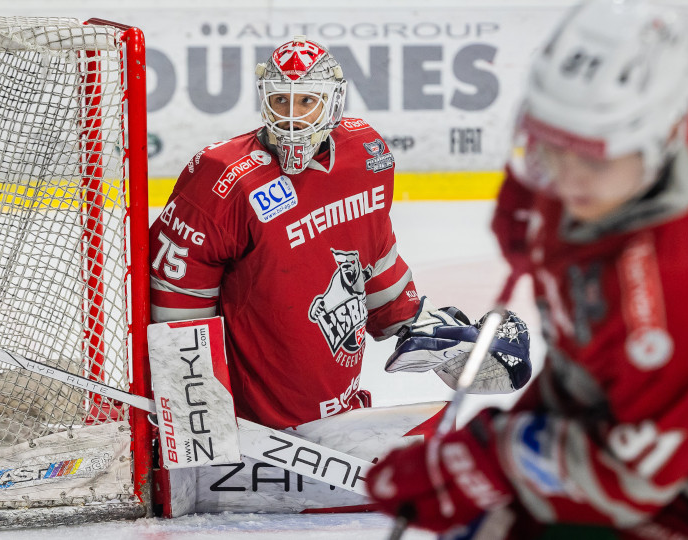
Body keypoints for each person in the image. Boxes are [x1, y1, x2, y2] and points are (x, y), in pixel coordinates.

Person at [367, 1, 688, 538]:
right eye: (550, 147)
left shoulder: (677, 291)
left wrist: (484, 460)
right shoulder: (634, 123)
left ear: (656, 143)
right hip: (637, 426)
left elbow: (631, 475)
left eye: (591, 161)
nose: (566, 182)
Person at [148, 36, 531, 431]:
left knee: (456, 442)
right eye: (281, 101)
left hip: (339, 408)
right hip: (255, 428)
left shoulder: (365, 153)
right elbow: (177, 305)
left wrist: (415, 324)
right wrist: (197, 421)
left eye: (306, 101)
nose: (292, 117)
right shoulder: (222, 178)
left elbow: (375, 255)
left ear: (332, 102)